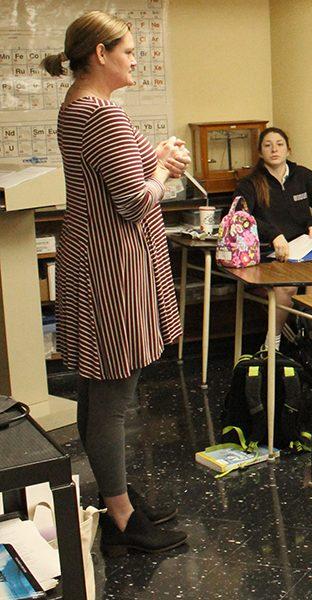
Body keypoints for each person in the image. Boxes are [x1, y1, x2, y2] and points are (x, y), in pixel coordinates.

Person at [42, 10, 187, 556]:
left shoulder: (76, 106)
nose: (134, 59)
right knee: (112, 394)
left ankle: (112, 495)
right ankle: (122, 517)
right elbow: (132, 198)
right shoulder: (100, 113)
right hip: (114, 269)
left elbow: (109, 175)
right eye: (127, 50)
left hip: (89, 258)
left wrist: (153, 157)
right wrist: (162, 174)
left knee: (93, 388)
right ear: (99, 53)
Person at [234, 127, 312, 350]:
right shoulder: (250, 183)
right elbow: (241, 217)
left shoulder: (303, 176)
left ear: (288, 149)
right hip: (269, 255)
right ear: (260, 152)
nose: (274, 149)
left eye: (279, 144)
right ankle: (272, 343)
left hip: (303, 251)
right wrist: (273, 235)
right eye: (268, 145)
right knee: (287, 286)